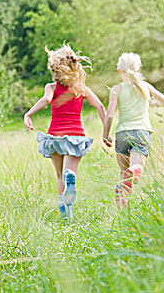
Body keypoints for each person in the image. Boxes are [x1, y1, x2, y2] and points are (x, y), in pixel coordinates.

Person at [24, 44, 106, 220]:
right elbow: (99, 106)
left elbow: (46, 100)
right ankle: (71, 179)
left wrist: (29, 114)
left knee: (59, 176)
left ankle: (65, 211)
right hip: (75, 136)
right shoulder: (81, 88)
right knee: (70, 173)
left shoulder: (51, 88)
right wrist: (106, 131)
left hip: (54, 136)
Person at [102, 52, 164, 208]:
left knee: (123, 174)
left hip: (122, 134)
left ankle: (123, 208)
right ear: (138, 70)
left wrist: (105, 135)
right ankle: (135, 169)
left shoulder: (116, 89)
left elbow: (110, 115)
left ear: (119, 71)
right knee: (135, 170)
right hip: (141, 132)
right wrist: (151, 103)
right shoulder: (145, 87)